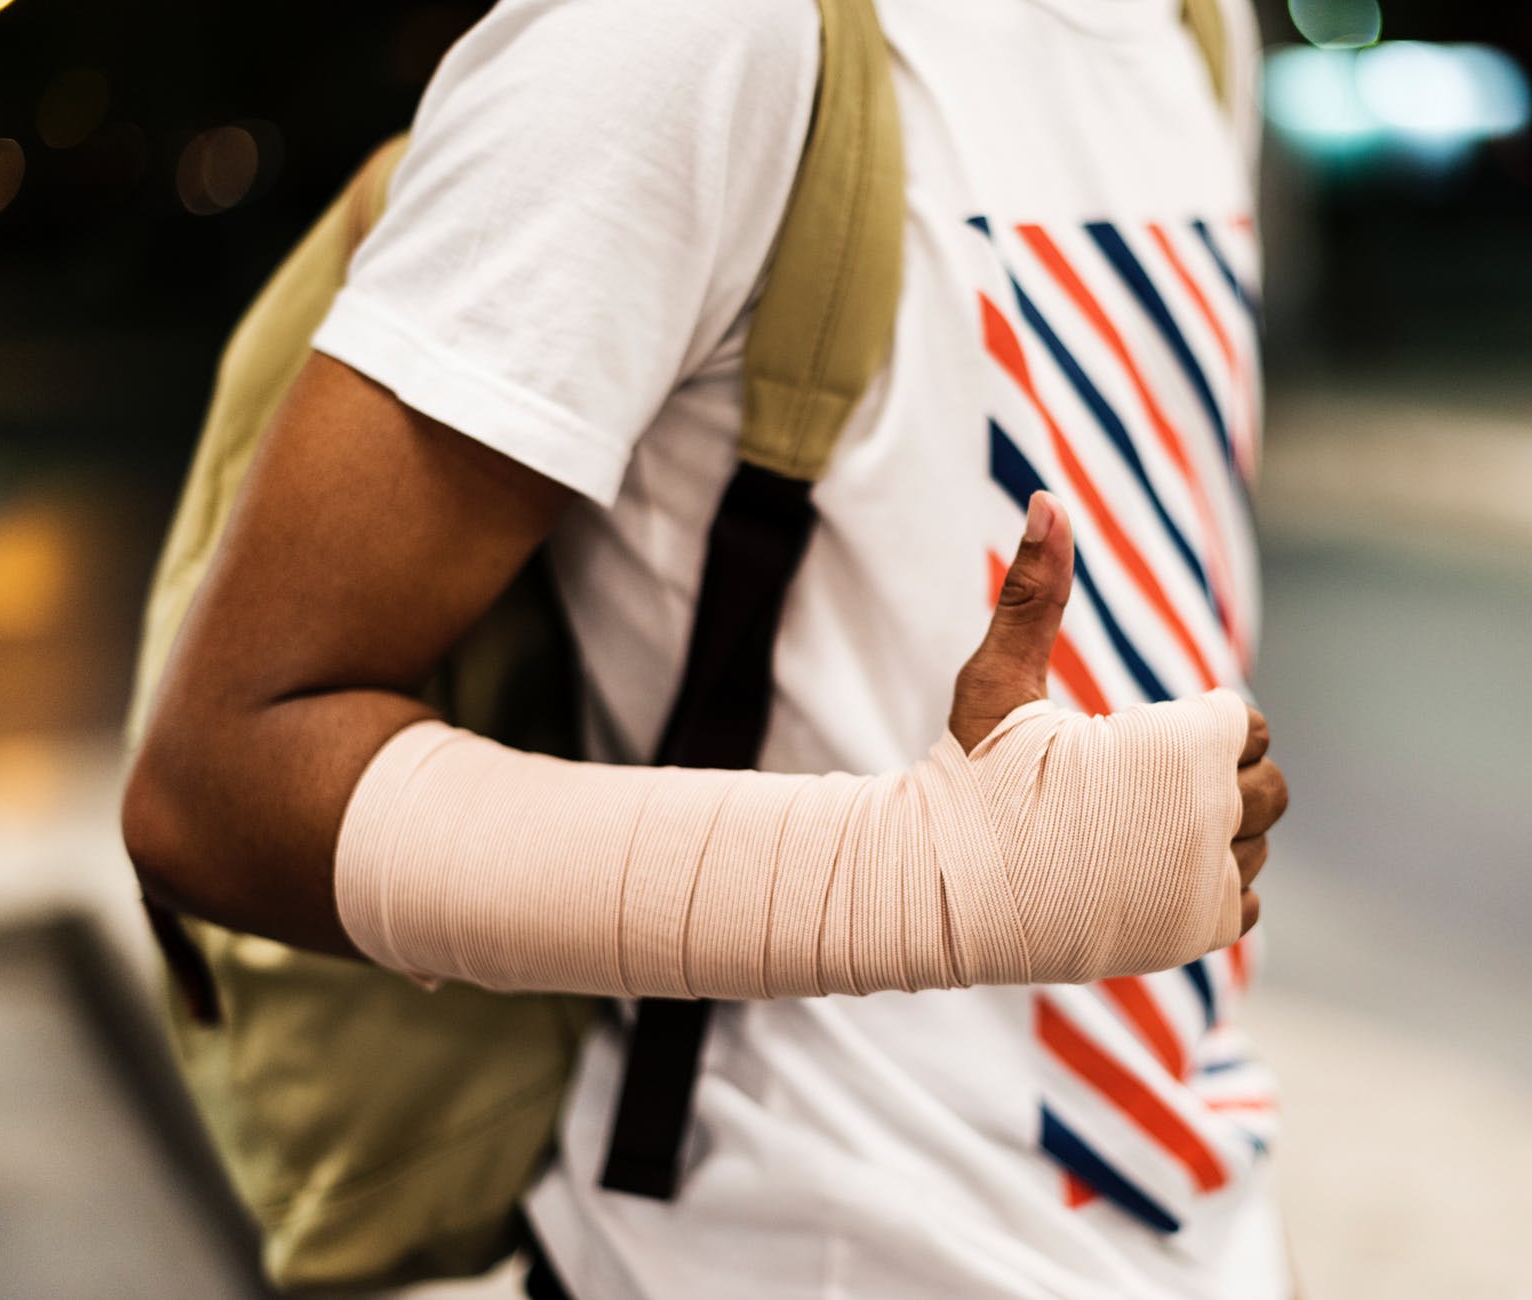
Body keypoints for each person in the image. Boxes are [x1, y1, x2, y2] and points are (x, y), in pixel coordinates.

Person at [122, 0, 1290, 1295]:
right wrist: (926, 875)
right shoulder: (678, 32)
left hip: (1195, 1232)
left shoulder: (1196, 28)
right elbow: (213, 790)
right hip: (777, 1250)